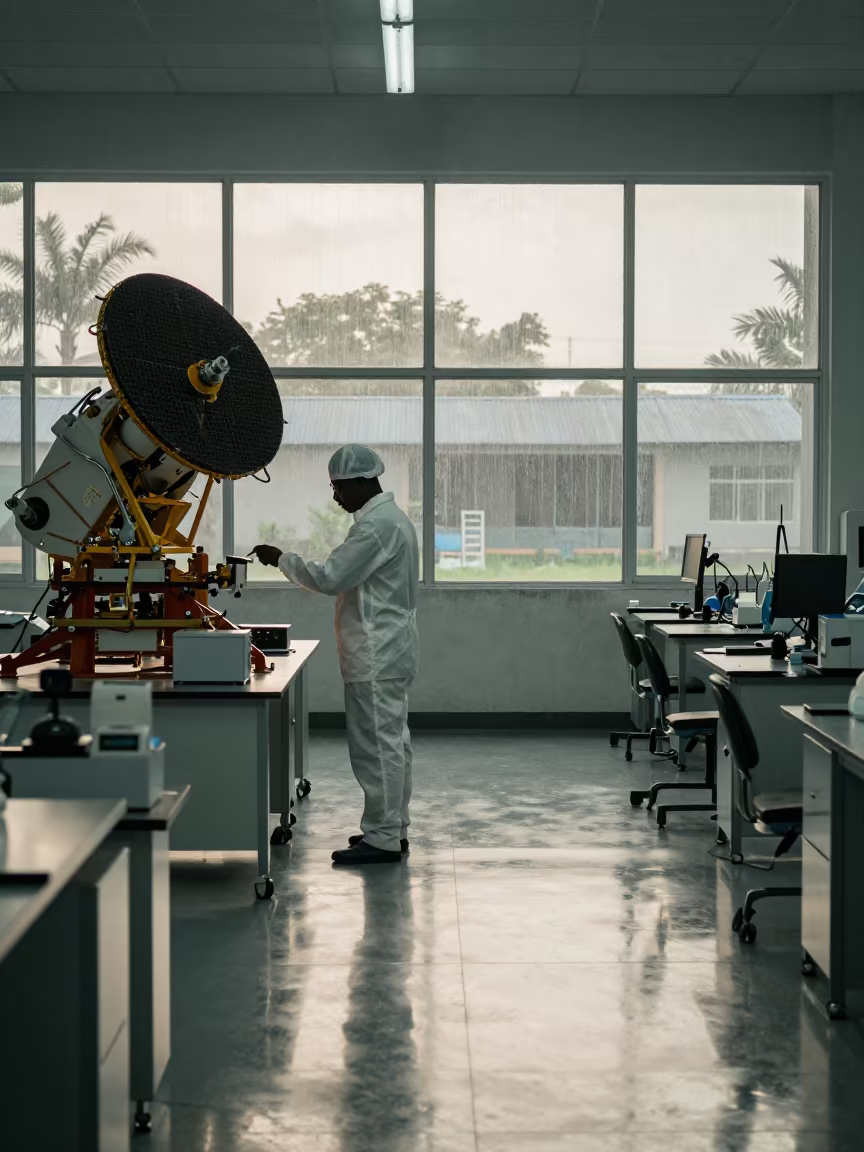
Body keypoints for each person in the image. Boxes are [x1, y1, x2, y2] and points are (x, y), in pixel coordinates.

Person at [249, 444, 419, 866]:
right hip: (389, 649)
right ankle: (391, 828)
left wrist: (281, 558)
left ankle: (381, 839)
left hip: (375, 653)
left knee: (376, 747)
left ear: (363, 482)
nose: (336, 497)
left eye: (339, 487)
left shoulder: (375, 528)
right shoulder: (392, 520)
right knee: (393, 743)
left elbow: (329, 577)